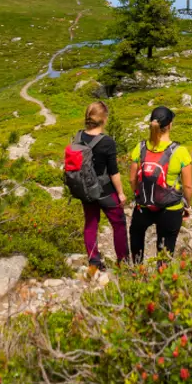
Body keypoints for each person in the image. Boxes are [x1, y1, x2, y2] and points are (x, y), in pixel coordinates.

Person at [63, 102, 128, 278]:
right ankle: (123, 262)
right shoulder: (107, 142)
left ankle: (94, 261)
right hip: (105, 191)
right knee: (119, 224)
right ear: (104, 119)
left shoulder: (78, 137)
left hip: (86, 192)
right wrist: (121, 193)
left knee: (91, 224)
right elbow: (113, 172)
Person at [129, 106, 192, 263]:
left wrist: (139, 194)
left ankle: (137, 273)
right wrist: (187, 204)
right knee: (166, 248)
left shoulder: (140, 147)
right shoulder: (180, 151)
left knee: (136, 234)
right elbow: (188, 186)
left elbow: (132, 179)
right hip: (170, 208)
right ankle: (161, 279)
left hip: (144, 205)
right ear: (170, 125)